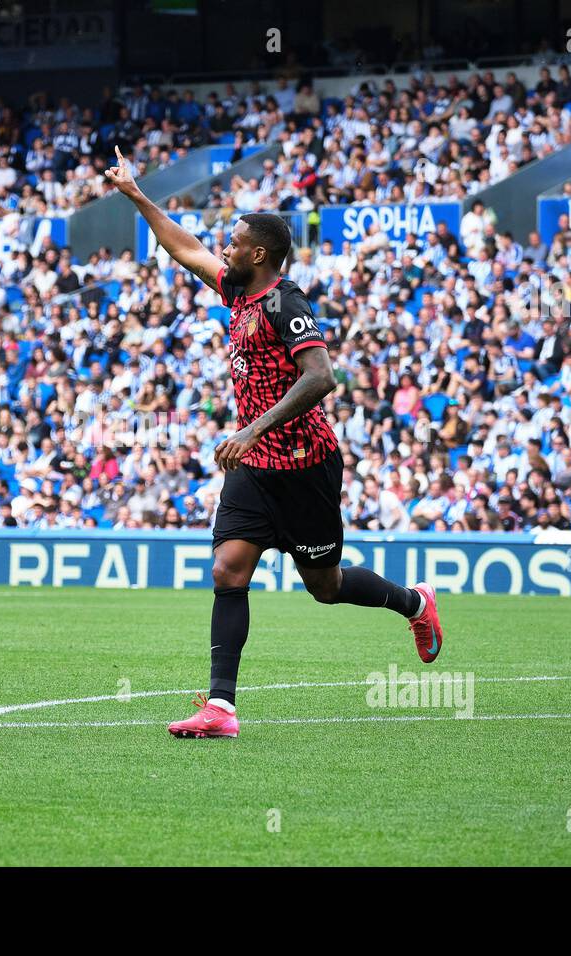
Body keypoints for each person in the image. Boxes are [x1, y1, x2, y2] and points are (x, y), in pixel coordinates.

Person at [104, 146, 444, 739]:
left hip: (305, 466)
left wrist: (253, 427)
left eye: (233, 242)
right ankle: (221, 708)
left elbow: (321, 377)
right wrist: (136, 195)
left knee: (326, 586)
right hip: (252, 467)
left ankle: (413, 603)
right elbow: (183, 249)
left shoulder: (287, 302)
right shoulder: (238, 294)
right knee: (228, 571)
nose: (224, 248)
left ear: (259, 254)